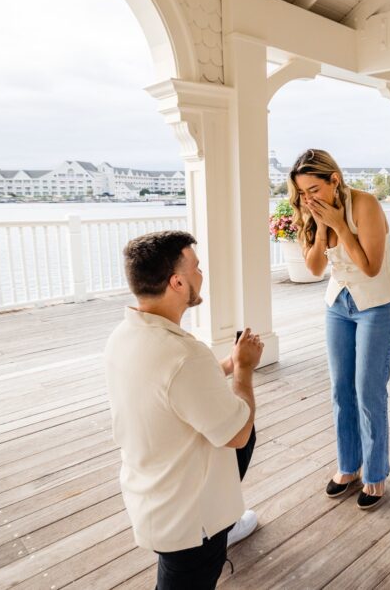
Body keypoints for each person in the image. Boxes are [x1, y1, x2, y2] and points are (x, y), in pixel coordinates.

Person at [103, 230, 263, 589]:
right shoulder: (185, 356)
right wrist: (244, 369)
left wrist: (225, 364)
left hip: (150, 489)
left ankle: (229, 520)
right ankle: (221, 523)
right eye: (197, 268)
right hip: (190, 521)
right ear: (177, 282)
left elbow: (171, 387)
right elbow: (237, 435)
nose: (202, 274)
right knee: (245, 427)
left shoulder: (124, 336)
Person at [288, 149, 390, 510]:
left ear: (334, 180)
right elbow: (314, 268)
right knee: (341, 391)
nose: (307, 199)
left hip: (376, 305)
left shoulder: (365, 205)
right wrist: (321, 225)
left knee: (368, 392)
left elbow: (370, 267)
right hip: (337, 305)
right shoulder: (311, 213)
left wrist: (339, 225)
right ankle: (348, 467)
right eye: (301, 193)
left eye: (313, 189)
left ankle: (375, 474)